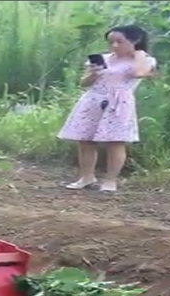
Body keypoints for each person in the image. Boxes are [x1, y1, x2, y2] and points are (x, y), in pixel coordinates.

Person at [57, 25, 157, 193]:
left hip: (119, 102)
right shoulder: (103, 58)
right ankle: (86, 176)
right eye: (111, 42)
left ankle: (111, 180)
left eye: (120, 41)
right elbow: (84, 83)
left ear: (135, 40)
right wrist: (94, 73)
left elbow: (139, 73)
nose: (115, 46)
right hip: (93, 99)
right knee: (85, 140)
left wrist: (138, 54)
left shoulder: (143, 60)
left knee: (115, 141)